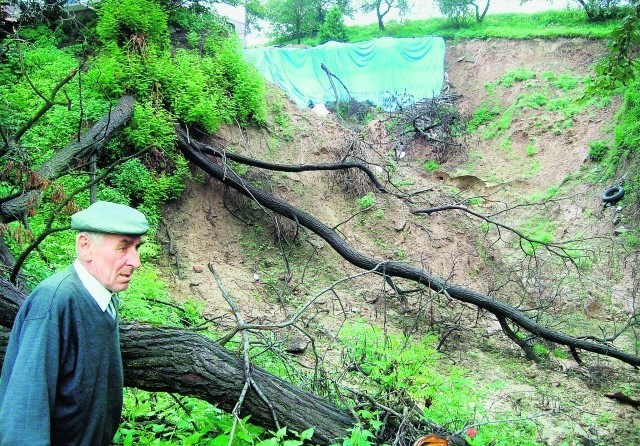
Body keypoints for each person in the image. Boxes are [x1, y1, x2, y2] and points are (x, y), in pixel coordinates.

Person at [0, 201, 149, 445]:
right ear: (85, 246)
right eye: (123, 248)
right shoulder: (54, 302)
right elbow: (24, 418)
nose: (135, 261)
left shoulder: (105, 297)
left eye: (137, 248)